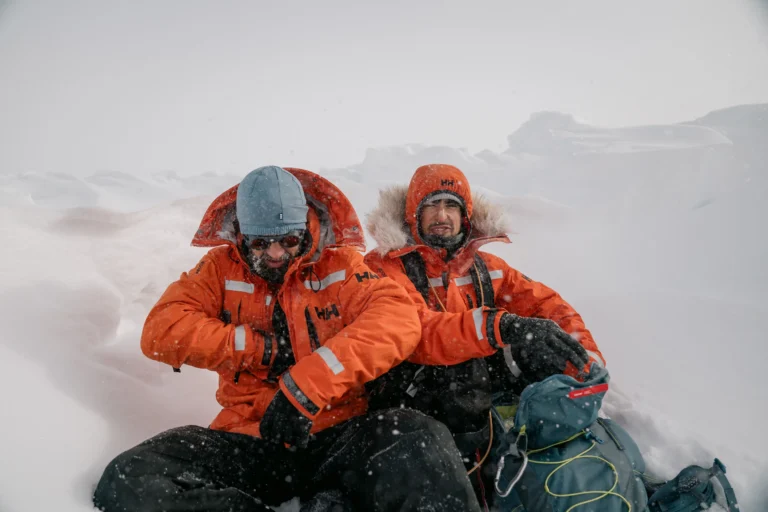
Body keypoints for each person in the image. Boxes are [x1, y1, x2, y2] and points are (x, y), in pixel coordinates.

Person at [93, 166, 482, 512]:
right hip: (250, 440)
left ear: (306, 228)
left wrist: (308, 387)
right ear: (241, 234)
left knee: (419, 436)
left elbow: (398, 320)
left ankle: (333, 498)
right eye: (261, 243)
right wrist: (257, 349)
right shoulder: (218, 270)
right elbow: (161, 330)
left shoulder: (340, 266)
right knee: (130, 476)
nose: (277, 253)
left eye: (290, 240)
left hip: (337, 437)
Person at [363, 163, 605, 503]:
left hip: (472, 390)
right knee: (462, 370)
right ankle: (474, 476)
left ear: (465, 215)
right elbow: (418, 333)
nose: (442, 215)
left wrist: (585, 359)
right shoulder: (381, 267)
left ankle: (542, 461)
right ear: (413, 215)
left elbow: (548, 306)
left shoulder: (485, 267)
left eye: (451, 206)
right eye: (432, 205)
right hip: (405, 393)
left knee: (540, 344)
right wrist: (500, 326)